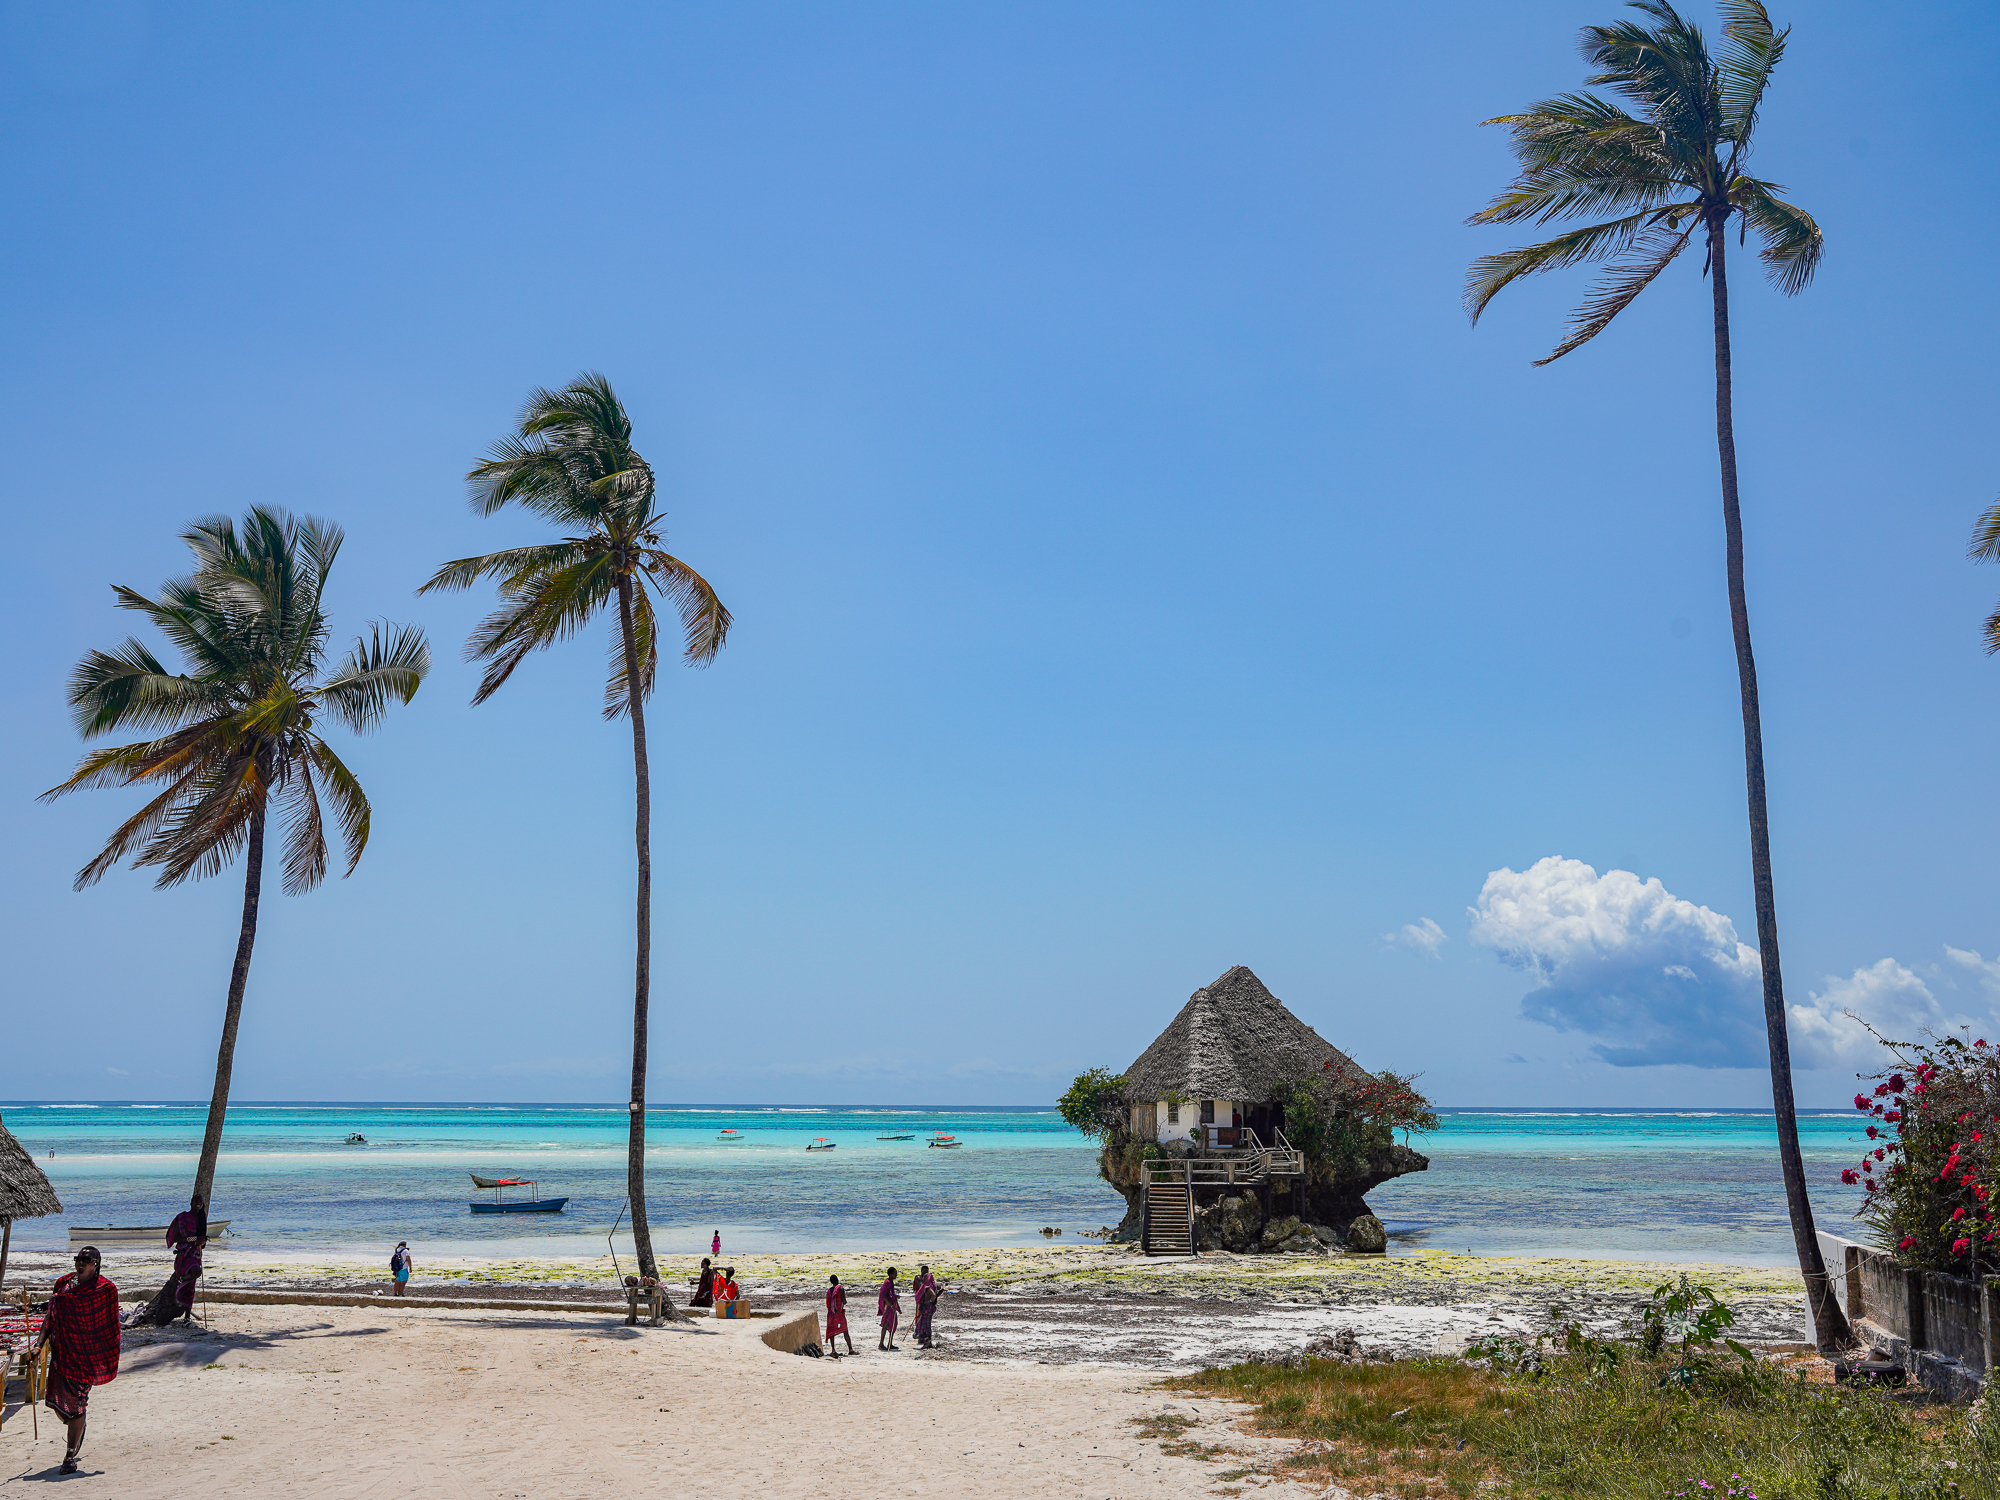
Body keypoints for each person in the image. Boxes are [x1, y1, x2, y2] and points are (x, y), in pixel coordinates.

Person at [36, 1247, 121, 1475]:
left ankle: (69, 1457)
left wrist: (102, 1353)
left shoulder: (106, 1290)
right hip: (62, 1354)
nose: (80, 1264)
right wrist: (38, 1344)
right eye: (78, 1259)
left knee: (76, 1406)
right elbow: (51, 1316)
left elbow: (110, 1328)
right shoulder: (63, 1284)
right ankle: (78, 1426)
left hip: (87, 1356)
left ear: (96, 1264)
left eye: (86, 1260)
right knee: (57, 1403)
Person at [164, 1193, 209, 1323]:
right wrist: (194, 1239)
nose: (198, 1204)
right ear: (191, 1202)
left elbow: (203, 1243)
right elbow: (176, 1237)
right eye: (196, 1202)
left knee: (191, 1286)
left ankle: (187, 1317)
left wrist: (201, 1241)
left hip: (195, 1255)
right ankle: (181, 1280)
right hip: (183, 1255)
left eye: (200, 1203)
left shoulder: (202, 1219)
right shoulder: (182, 1218)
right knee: (195, 1273)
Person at [823, 1274, 854, 1355]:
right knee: (845, 1330)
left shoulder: (829, 1291)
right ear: (837, 1280)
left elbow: (828, 1303)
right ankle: (850, 1350)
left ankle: (833, 1350)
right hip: (839, 1313)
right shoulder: (840, 1289)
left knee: (831, 1332)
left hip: (831, 1313)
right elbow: (844, 1301)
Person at [913, 1263, 941, 1348]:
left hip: (927, 1307)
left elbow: (933, 1295)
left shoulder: (928, 1287)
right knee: (926, 1324)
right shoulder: (920, 1279)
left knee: (924, 1324)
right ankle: (927, 1341)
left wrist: (928, 1302)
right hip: (929, 1307)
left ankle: (926, 1341)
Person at [877, 1266, 901, 1351]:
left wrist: (895, 1296)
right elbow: (884, 1296)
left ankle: (890, 1343)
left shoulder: (891, 1283)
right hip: (888, 1307)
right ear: (891, 1274)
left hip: (891, 1306)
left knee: (893, 1324)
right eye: (895, 1273)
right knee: (886, 1325)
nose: (896, 1275)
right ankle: (881, 1344)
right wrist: (891, 1305)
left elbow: (890, 1294)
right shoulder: (887, 1282)